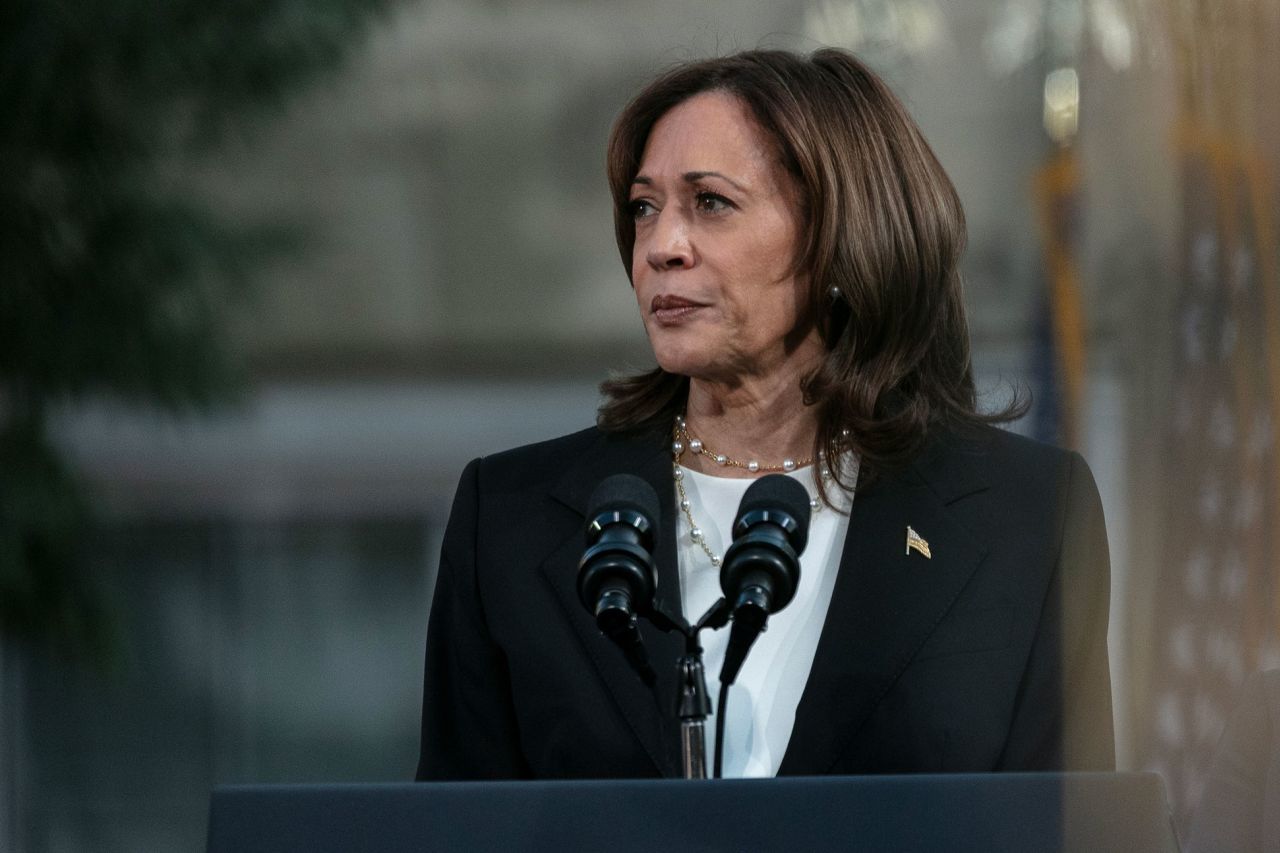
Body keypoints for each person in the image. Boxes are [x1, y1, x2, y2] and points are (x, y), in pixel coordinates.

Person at [416, 48, 1114, 781]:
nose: (661, 246)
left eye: (709, 203)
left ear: (842, 237)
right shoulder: (511, 518)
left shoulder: (1024, 516)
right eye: (644, 207)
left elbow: (1067, 824)